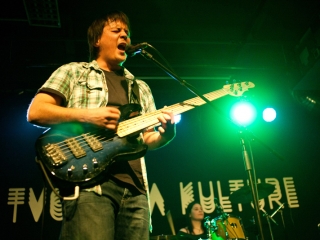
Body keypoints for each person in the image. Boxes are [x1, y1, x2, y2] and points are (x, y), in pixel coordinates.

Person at [27, 10, 176, 240]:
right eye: (116, 31)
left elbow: (147, 139)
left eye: (127, 32)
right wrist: (89, 116)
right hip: (91, 184)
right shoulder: (74, 72)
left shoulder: (141, 87)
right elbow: (37, 112)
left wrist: (166, 135)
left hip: (136, 191)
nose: (124, 36)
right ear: (97, 40)